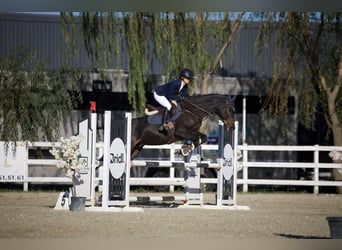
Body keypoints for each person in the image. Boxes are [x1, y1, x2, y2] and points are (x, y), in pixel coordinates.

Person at [153, 68, 194, 133]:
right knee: (169, 106)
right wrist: (180, 98)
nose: (189, 80)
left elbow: (185, 96)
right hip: (159, 94)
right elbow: (170, 96)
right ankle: (163, 124)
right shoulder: (175, 84)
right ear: (182, 77)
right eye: (188, 78)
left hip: (166, 95)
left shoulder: (185, 86)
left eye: (189, 78)